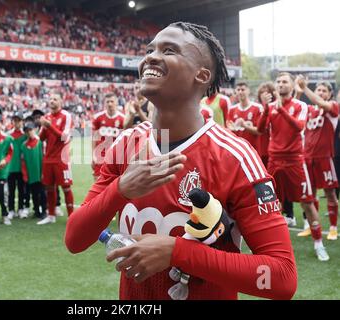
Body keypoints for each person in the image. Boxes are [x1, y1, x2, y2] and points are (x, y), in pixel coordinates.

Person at [65, 22, 297, 299]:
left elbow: (282, 278)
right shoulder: (125, 144)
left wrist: (177, 252)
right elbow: (75, 239)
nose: (150, 57)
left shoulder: (235, 156)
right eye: (150, 49)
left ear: (201, 75)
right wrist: (121, 189)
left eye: (169, 50)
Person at [257, 72, 329, 261]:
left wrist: (280, 110)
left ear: (291, 85)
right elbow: (260, 129)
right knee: (272, 204)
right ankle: (274, 248)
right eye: (278, 81)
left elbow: (299, 126)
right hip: (274, 160)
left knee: (307, 202)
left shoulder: (300, 105)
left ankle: (319, 243)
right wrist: (266, 109)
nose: (281, 84)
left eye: (284, 81)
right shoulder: (271, 106)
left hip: (295, 161)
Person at [296, 77, 339, 241]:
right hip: (307, 158)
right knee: (309, 195)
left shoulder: (333, 107)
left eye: (324, 91)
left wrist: (305, 88)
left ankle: (333, 228)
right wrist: (299, 93)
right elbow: (294, 108)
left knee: (330, 194)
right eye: (318, 90)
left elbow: (322, 103)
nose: (320, 93)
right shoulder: (309, 109)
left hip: (325, 158)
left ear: (329, 94)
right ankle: (311, 225)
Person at [37, 92, 74, 225]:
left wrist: (49, 126)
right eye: (50, 99)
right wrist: (42, 127)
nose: (52, 101)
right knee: (49, 188)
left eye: (55, 99)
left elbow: (64, 137)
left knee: (66, 187)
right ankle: (51, 215)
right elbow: (41, 139)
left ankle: (72, 217)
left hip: (61, 159)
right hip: (48, 158)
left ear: (61, 102)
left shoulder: (66, 116)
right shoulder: (47, 117)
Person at [92, 93, 125, 179]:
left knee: (115, 185)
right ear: (104, 103)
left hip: (117, 156)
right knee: (98, 182)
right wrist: (93, 156)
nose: (110, 104)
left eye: (112, 101)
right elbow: (94, 138)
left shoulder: (123, 119)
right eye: (107, 102)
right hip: (100, 155)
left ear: (116, 103)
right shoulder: (97, 118)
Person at [21, 122, 47, 220]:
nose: (29, 132)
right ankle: (36, 211)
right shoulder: (23, 145)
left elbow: (44, 158)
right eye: (27, 131)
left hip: (40, 173)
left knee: (42, 193)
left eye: (30, 130)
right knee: (34, 194)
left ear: (35, 129)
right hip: (30, 174)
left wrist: (44, 172)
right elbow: (22, 162)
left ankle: (44, 210)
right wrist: (25, 175)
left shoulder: (41, 142)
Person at [226, 82, 263, 151]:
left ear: (248, 91)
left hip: (253, 149)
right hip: (237, 149)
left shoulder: (257, 108)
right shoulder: (232, 109)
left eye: (243, 90)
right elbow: (229, 127)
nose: (240, 92)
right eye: (238, 90)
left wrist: (244, 126)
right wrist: (232, 128)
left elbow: (259, 131)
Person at [7, 111, 28, 219]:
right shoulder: (8, 135)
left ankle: (20, 208)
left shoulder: (25, 135)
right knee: (11, 191)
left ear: (22, 122)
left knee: (21, 190)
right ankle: (11, 209)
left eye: (19, 121)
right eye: (15, 121)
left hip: (21, 168)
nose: (17, 123)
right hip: (10, 168)